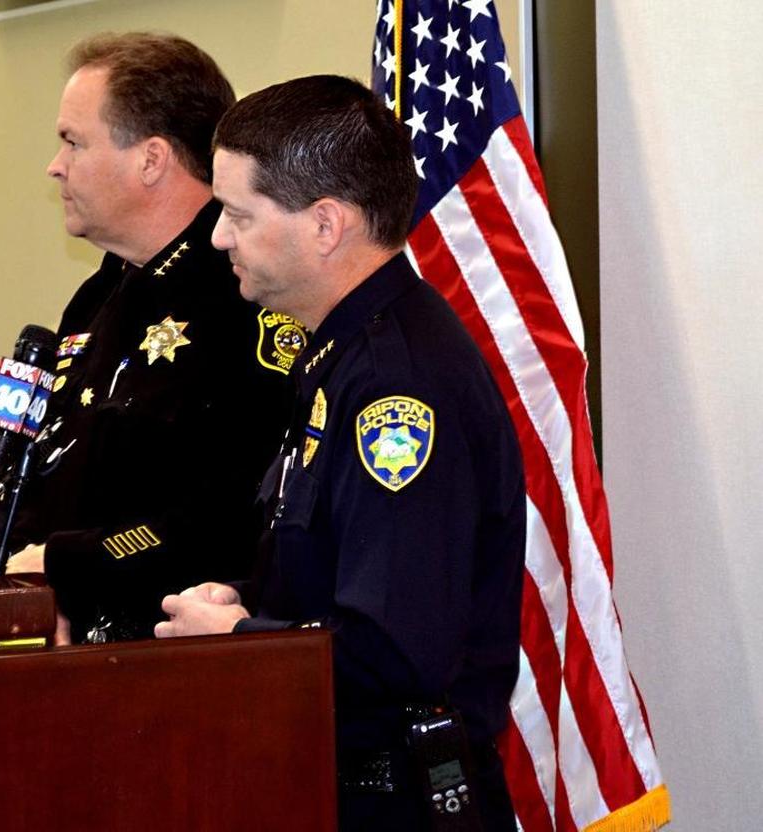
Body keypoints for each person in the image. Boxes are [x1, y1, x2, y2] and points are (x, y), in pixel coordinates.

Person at [154, 75, 525, 831]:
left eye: (236, 214)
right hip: (332, 786)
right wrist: (246, 599)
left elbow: (393, 650)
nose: (217, 237)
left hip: (394, 803)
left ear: (326, 224)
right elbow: (328, 568)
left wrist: (236, 642)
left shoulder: (399, 386)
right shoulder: (341, 354)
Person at [2, 33, 303, 645]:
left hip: (175, 660)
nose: (55, 166)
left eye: (73, 142)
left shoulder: (244, 298)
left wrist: (67, 568)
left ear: (151, 159)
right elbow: (52, 471)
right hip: (67, 652)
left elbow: (233, 519)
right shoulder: (97, 298)